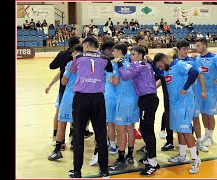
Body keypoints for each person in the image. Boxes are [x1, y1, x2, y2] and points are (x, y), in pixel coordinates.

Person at [68, 36, 113, 178]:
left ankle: (77, 171)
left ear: (87, 44)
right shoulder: (105, 58)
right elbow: (110, 71)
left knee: (78, 134)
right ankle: (104, 169)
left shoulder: (79, 56)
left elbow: (72, 70)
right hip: (98, 99)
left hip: (81, 98)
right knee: (101, 134)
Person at [153, 53, 201, 174]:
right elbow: (159, 74)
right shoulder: (167, 70)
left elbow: (195, 72)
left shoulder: (179, 64)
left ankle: (195, 159)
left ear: (164, 60)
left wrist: (185, 88)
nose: (160, 68)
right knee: (179, 131)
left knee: (186, 132)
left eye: (160, 65)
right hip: (175, 105)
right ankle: (182, 155)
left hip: (184, 104)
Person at [116, 46, 160, 175]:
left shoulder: (138, 64)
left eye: (134, 54)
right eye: (131, 54)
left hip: (147, 100)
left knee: (147, 131)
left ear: (141, 55)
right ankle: (151, 159)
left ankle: (152, 163)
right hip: (147, 99)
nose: (131, 56)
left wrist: (119, 64)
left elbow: (125, 76)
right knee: (146, 130)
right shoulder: (145, 64)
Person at [48, 44, 83, 160]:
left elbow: (63, 81)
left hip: (69, 97)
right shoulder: (85, 66)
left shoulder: (70, 64)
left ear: (74, 53)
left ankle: (57, 149)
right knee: (77, 124)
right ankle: (75, 146)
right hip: (81, 97)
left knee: (62, 123)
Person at [108, 43, 139, 171]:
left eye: (113, 51)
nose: (112, 53)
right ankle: (130, 155)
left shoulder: (116, 64)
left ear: (119, 51)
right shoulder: (131, 62)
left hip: (123, 100)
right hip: (134, 99)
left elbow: (115, 82)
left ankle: (121, 159)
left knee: (120, 129)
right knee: (130, 127)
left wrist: (108, 78)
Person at [175, 40, 208, 152]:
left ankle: (198, 141)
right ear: (178, 50)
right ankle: (183, 145)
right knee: (182, 121)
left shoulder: (193, 61)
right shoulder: (174, 63)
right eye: (183, 49)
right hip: (180, 97)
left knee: (195, 119)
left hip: (193, 96)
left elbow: (200, 76)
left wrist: (203, 90)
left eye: (187, 49)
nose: (186, 51)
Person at [194, 37, 217, 147]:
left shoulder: (215, 57)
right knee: (203, 113)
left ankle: (210, 137)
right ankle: (206, 134)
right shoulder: (197, 58)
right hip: (200, 91)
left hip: (211, 91)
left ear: (205, 46)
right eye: (196, 45)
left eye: (198, 45)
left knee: (210, 114)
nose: (196, 47)